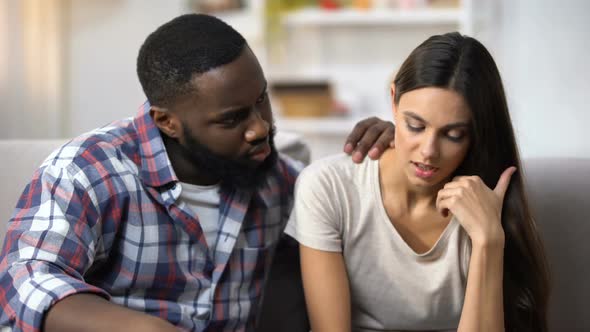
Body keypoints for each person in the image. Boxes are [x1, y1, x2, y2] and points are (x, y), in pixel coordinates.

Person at [0, 14, 395, 332]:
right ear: (167, 122)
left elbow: (375, 246)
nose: (260, 127)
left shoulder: (284, 182)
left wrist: (397, 154)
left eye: (261, 100)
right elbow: (27, 279)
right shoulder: (89, 170)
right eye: (232, 119)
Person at [285, 32, 550, 332]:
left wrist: (488, 239)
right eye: (415, 126)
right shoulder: (329, 188)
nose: (428, 151)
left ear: (477, 133)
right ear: (393, 101)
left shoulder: (482, 202)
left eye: (453, 134)